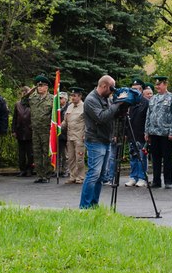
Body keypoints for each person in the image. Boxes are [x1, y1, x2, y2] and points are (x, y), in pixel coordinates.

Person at [80, 75, 124, 209]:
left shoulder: (105, 99)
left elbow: (112, 115)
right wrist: (117, 103)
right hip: (95, 140)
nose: (112, 90)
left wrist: (121, 106)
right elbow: (102, 117)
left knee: (101, 176)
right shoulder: (91, 100)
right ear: (104, 86)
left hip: (105, 139)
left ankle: (94, 204)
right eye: (111, 88)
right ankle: (84, 207)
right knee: (93, 174)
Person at [145, 75, 172, 189]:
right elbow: (148, 115)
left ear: (165, 84)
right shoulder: (153, 98)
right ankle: (156, 181)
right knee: (155, 158)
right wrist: (147, 131)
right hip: (154, 132)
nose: (157, 87)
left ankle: (168, 181)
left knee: (167, 158)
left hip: (165, 133)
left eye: (159, 84)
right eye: (156, 85)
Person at [26, 76, 57, 183]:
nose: (39, 88)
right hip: (35, 130)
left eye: (41, 86)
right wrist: (30, 92)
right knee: (37, 153)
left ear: (46, 87)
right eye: (38, 86)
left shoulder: (52, 99)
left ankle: (47, 175)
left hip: (47, 130)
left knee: (47, 153)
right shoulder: (33, 98)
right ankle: (39, 175)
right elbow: (23, 102)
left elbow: (56, 115)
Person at [125, 78, 150, 186]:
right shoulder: (130, 102)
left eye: (136, 89)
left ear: (141, 90)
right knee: (133, 157)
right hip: (131, 134)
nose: (134, 91)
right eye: (132, 89)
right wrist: (125, 133)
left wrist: (147, 133)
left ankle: (142, 177)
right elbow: (127, 119)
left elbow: (149, 120)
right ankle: (133, 177)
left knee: (141, 157)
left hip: (141, 134)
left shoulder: (146, 103)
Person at [63, 87, 86, 183]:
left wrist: (86, 134)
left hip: (80, 137)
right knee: (71, 158)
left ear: (80, 96)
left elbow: (88, 122)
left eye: (75, 96)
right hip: (70, 136)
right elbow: (65, 121)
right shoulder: (69, 106)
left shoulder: (84, 107)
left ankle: (80, 177)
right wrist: (58, 127)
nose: (72, 97)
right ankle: (72, 176)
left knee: (79, 158)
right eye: (71, 95)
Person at [12, 87, 35, 176]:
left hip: (30, 131)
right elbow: (15, 118)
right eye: (23, 92)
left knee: (30, 152)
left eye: (26, 92)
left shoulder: (32, 104)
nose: (24, 94)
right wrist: (13, 130)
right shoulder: (17, 104)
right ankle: (22, 169)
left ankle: (30, 169)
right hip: (20, 131)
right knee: (21, 152)